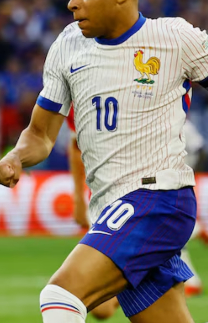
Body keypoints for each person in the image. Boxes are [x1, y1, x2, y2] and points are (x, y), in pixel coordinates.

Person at [0, 0, 208, 322]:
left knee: (60, 295)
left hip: (158, 199)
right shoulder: (67, 46)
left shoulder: (174, 38)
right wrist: (15, 156)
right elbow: (39, 135)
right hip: (111, 207)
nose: (72, 3)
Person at [66, 111, 120, 320]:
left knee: (62, 295)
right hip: (102, 201)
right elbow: (75, 145)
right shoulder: (78, 90)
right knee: (101, 308)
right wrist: (79, 199)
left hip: (144, 195)